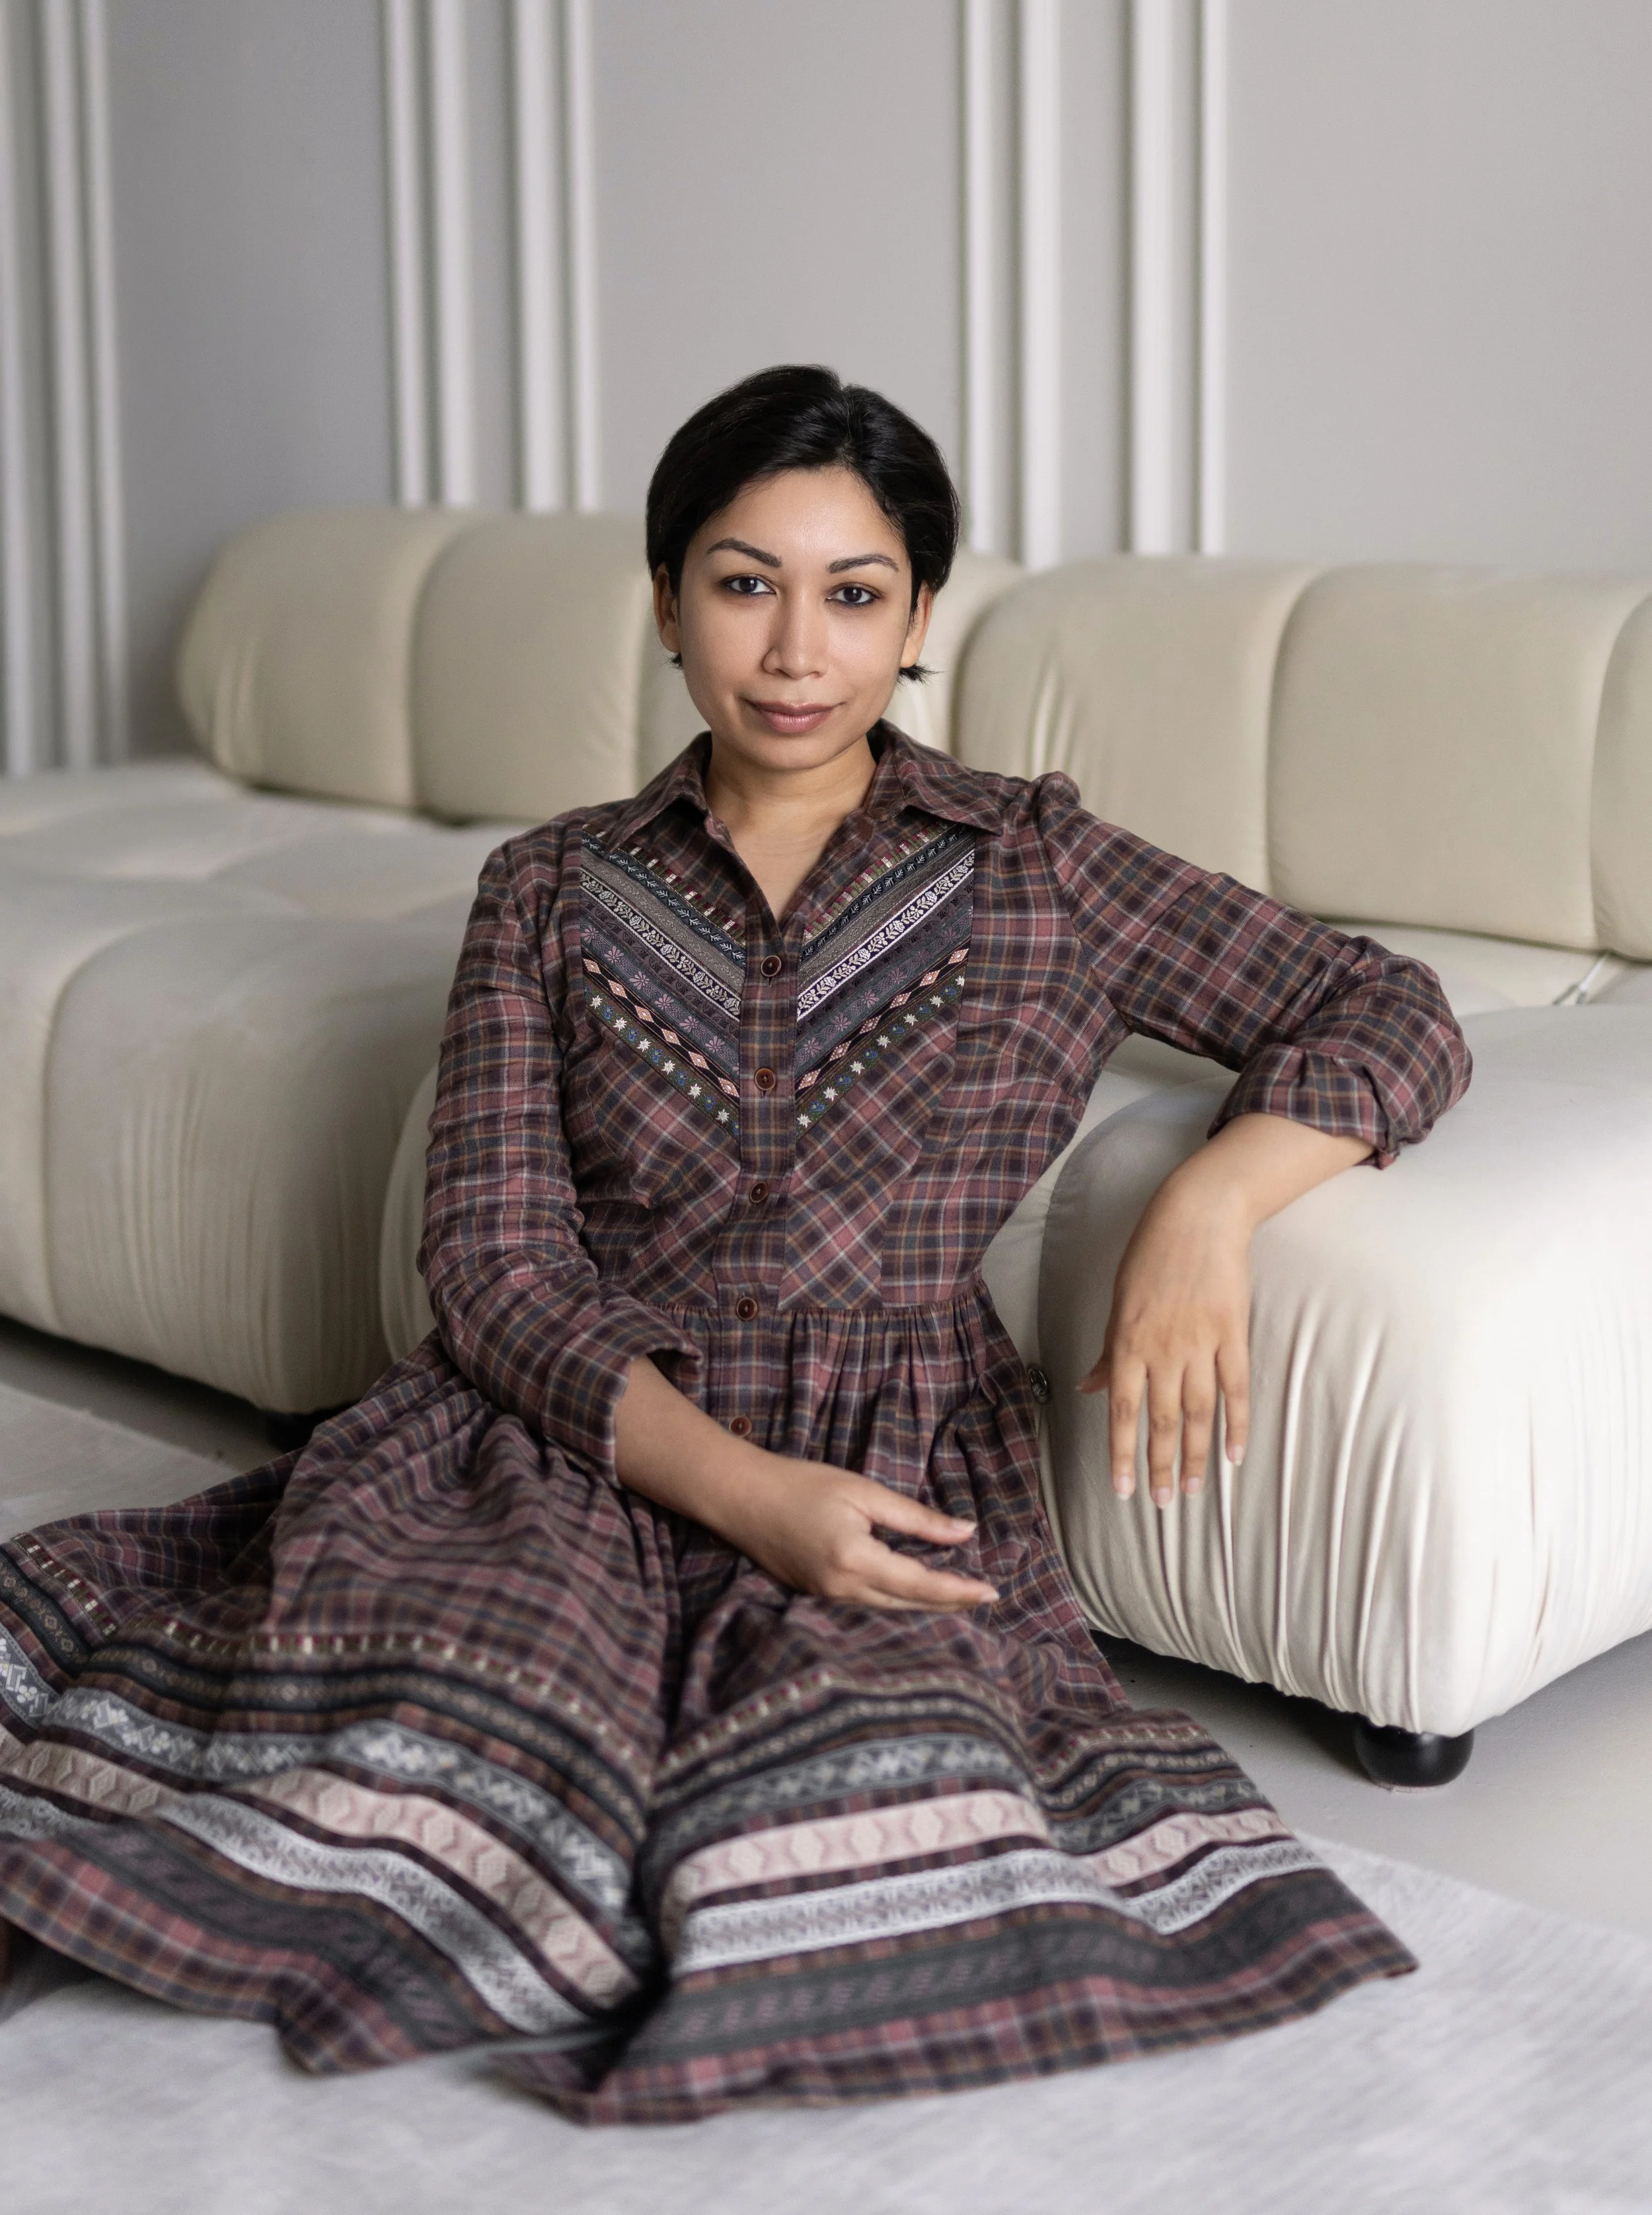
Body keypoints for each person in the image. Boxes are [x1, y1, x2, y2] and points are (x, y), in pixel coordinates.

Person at [0, 366, 1470, 2122]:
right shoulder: (552, 886)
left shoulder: (1039, 866)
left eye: (853, 594)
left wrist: (1208, 1207)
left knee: (860, 1810)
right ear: (664, 601)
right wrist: (745, 1496)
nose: (793, 650)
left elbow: (1384, 1008)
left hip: (893, 1444)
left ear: (918, 621)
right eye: (744, 583)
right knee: (405, 1740)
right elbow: (488, 1266)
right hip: (566, 1427)